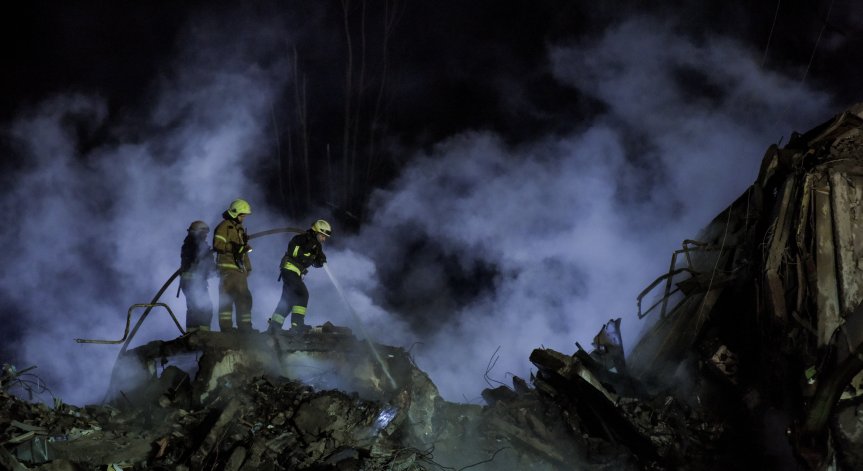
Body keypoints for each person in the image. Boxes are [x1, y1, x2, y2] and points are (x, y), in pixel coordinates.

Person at [267, 219, 331, 333]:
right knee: (302, 294)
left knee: (288, 301)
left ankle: (274, 327)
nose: (324, 239)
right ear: (316, 232)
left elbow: (316, 262)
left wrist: (321, 261)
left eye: (325, 237)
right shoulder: (301, 239)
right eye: (322, 235)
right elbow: (294, 252)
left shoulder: (317, 247)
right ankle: (297, 325)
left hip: (296, 273)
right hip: (289, 269)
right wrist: (310, 254)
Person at [212, 199, 254, 332]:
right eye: (242, 215)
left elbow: (243, 251)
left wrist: (248, 266)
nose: (244, 218)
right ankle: (228, 329)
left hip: (238, 270)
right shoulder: (224, 227)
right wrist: (234, 247)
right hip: (227, 269)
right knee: (230, 300)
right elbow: (218, 245)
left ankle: (243, 328)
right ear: (235, 213)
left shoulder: (240, 229)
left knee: (243, 299)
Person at [180, 220, 217, 331]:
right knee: (204, 307)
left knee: (194, 308)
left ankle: (193, 334)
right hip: (195, 282)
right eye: (204, 233)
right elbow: (202, 261)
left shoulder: (189, 244)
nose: (206, 236)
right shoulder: (195, 244)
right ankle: (202, 334)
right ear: (198, 232)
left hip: (192, 282)